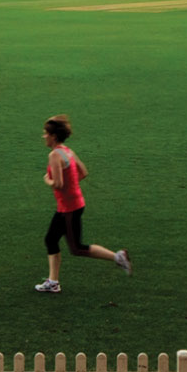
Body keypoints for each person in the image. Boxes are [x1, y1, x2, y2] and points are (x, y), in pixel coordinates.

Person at [35, 115, 130, 292]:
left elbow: (58, 183)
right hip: (72, 205)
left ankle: (118, 257)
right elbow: (83, 172)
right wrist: (72, 188)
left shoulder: (54, 155)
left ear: (53, 136)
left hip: (69, 209)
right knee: (51, 239)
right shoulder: (68, 151)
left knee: (77, 248)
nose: (44, 137)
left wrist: (47, 180)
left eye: (46, 133)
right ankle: (53, 282)